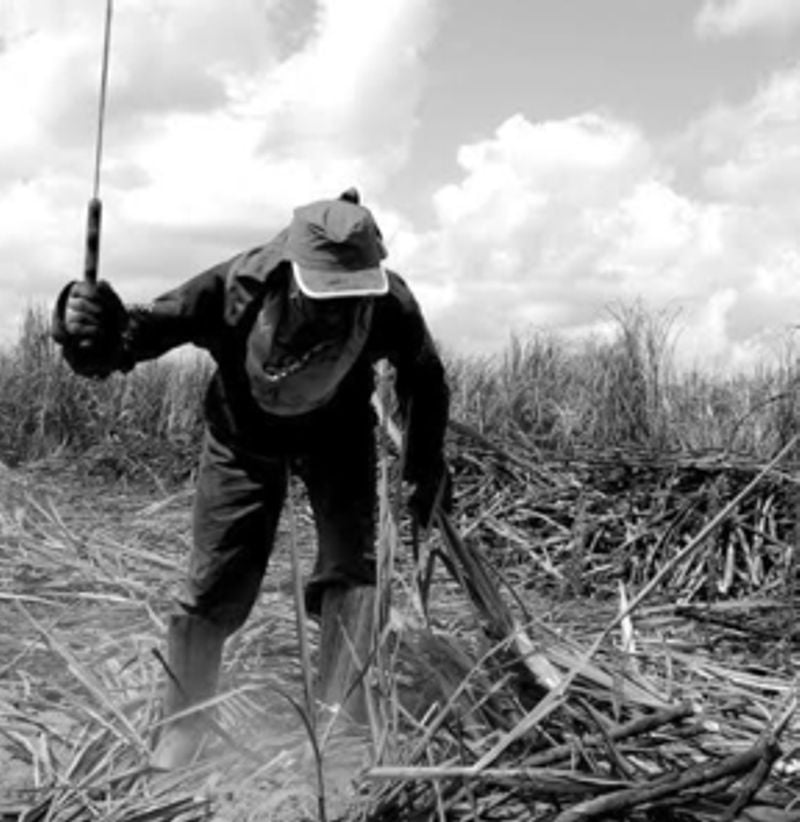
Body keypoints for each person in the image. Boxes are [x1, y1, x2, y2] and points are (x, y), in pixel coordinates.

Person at [51, 189, 451, 770]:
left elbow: (425, 378)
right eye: (323, 297)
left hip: (338, 436)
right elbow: (125, 343)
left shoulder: (388, 302)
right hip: (243, 437)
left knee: (355, 571)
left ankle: (341, 719)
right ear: (291, 273)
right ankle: (184, 728)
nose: (336, 312)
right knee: (214, 580)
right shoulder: (232, 290)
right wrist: (86, 326)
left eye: (350, 297)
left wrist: (424, 470)